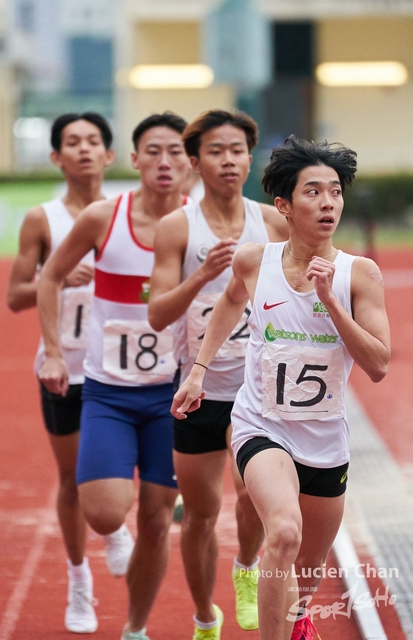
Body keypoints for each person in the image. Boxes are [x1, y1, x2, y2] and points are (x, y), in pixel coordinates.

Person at [171, 134, 391, 640]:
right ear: (284, 206)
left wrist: (331, 302)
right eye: (313, 191)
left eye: (335, 191)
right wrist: (200, 370)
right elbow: (229, 301)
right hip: (260, 425)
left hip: (324, 438)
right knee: (284, 532)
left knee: (303, 577)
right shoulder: (254, 262)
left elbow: (378, 364)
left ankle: (299, 617)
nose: (329, 202)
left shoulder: (360, 275)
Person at [36, 112, 191, 640]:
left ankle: (135, 627)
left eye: (175, 151)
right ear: (133, 159)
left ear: (189, 162)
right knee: (104, 514)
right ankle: (102, 549)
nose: (164, 162)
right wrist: (54, 352)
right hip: (108, 391)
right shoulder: (105, 217)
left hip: (174, 394)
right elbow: (51, 277)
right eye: (153, 151)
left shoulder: (202, 224)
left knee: (155, 521)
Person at [148, 109, 289, 639]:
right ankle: (205, 615)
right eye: (215, 151)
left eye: (236, 151)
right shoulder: (177, 227)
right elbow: (158, 313)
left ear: (249, 158)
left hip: (258, 391)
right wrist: (204, 275)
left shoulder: (272, 223)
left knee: (251, 492)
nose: (228, 160)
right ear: (194, 161)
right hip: (198, 387)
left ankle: (247, 569)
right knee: (202, 514)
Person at [7, 112, 134, 634]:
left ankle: (115, 526)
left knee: (118, 470)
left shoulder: (128, 213)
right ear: (56, 157)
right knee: (70, 477)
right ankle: (79, 581)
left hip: (121, 367)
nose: (83, 150)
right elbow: (15, 296)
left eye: (93, 142)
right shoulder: (43, 219)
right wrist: (53, 278)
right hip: (63, 366)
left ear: (108, 155)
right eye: (71, 143)